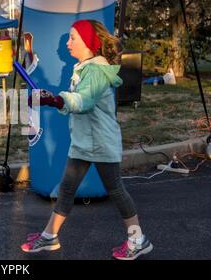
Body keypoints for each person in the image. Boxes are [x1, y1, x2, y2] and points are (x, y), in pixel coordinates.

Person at [22, 19, 153, 260]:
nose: (68, 42)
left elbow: (83, 102)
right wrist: (53, 98)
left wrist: (55, 100)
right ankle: (49, 236)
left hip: (101, 143)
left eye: (72, 38)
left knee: (116, 192)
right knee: (67, 189)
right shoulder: (84, 68)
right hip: (85, 142)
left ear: (88, 43)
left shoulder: (94, 71)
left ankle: (138, 239)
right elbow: (77, 98)